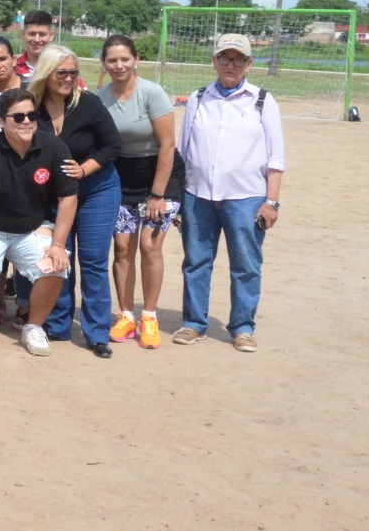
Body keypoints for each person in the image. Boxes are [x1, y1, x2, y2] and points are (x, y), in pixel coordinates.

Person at [174, 33, 285, 352]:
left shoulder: (262, 100)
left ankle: (242, 326)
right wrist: (179, 198)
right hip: (198, 197)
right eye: (224, 58)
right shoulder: (198, 98)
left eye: (238, 59)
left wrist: (271, 202)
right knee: (196, 262)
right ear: (214, 61)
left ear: (249, 64)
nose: (230, 65)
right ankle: (194, 323)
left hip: (246, 199)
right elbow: (184, 149)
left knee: (246, 264)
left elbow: (276, 156)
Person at [0, 88, 78, 356]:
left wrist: (57, 244)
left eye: (31, 115)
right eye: (17, 116)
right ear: (0, 122)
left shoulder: (53, 146)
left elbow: (68, 197)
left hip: (31, 226)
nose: (26, 121)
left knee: (55, 266)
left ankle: (34, 326)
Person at [30, 45, 121, 358]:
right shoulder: (33, 106)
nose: (68, 78)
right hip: (55, 193)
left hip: (97, 188)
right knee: (59, 257)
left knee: (94, 260)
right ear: (46, 73)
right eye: (62, 72)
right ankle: (57, 325)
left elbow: (112, 146)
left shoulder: (89, 104)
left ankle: (97, 334)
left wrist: (84, 169)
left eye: (73, 72)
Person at [95, 35, 184, 349]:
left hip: (160, 178)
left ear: (136, 60)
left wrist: (157, 195)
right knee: (122, 249)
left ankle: (149, 315)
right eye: (112, 60)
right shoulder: (101, 97)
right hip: (122, 179)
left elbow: (168, 146)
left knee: (149, 245)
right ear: (104, 64)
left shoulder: (152, 93)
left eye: (125, 59)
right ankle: (126, 316)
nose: (119, 66)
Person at [13, 10, 55, 84]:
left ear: (51, 35)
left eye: (42, 34)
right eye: (32, 34)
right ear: (23, 34)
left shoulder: (61, 67)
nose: (37, 40)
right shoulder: (13, 68)